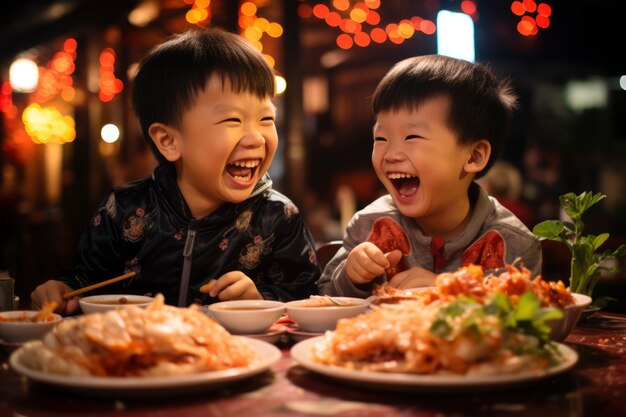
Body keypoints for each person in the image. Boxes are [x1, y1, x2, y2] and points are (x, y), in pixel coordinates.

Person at [31, 28, 320, 315]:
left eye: (266, 118)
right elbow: (86, 284)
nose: (256, 138)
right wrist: (61, 289)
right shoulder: (124, 209)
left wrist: (260, 298)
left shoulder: (278, 217)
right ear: (169, 141)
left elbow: (306, 298)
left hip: (238, 357)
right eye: (233, 119)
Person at [317, 54, 541, 297]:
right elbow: (323, 300)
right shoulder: (371, 225)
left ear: (474, 156)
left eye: (412, 137)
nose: (391, 154)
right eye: (381, 138)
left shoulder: (512, 242)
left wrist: (444, 288)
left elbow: (521, 321)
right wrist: (351, 276)